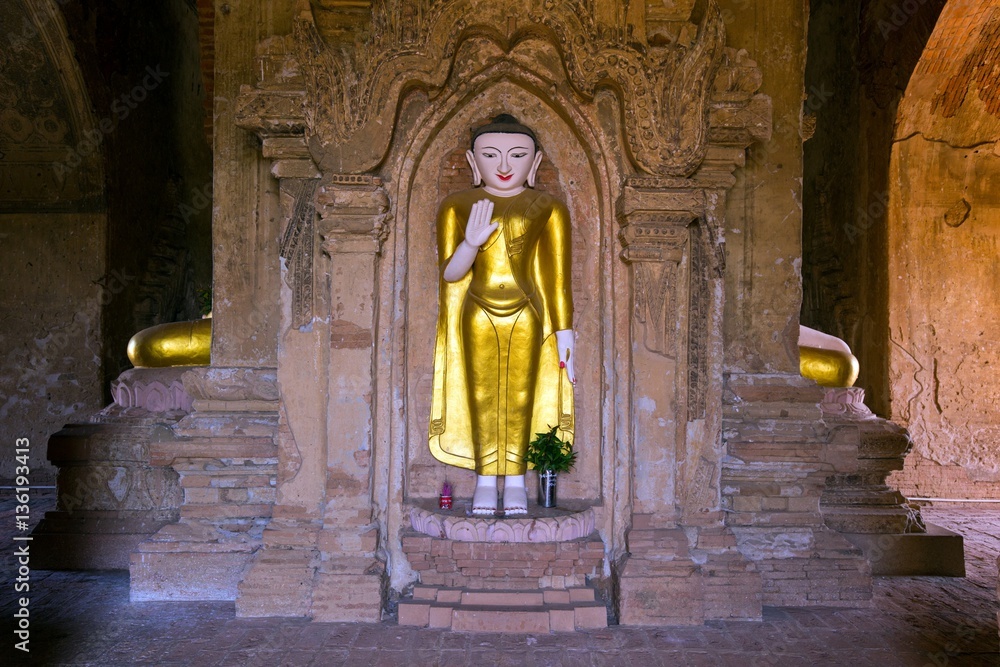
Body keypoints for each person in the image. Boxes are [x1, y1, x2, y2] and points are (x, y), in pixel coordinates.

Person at [428, 114, 576, 515]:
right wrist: (471, 244)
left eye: (518, 155)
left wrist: (565, 332)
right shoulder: (457, 205)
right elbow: (450, 273)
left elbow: (557, 278)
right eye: (491, 155)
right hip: (477, 309)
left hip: (527, 311)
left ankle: (514, 483)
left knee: (521, 396)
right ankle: (483, 481)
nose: (505, 166)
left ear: (536, 161)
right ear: (474, 163)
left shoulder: (549, 207)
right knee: (481, 395)